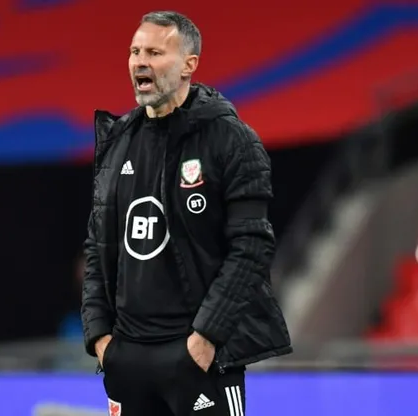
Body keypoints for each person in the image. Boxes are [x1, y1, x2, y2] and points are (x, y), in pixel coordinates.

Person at [81, 11, 292, 416]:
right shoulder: (117, 141)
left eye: (155, 53)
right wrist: (100, 336)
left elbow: (251, 247)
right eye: (135, 52)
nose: (140, 62)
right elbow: (98, 245)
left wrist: (206, 337)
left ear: (188, 65)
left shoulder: (231, 140)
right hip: (127, 358)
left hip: (196, 358)